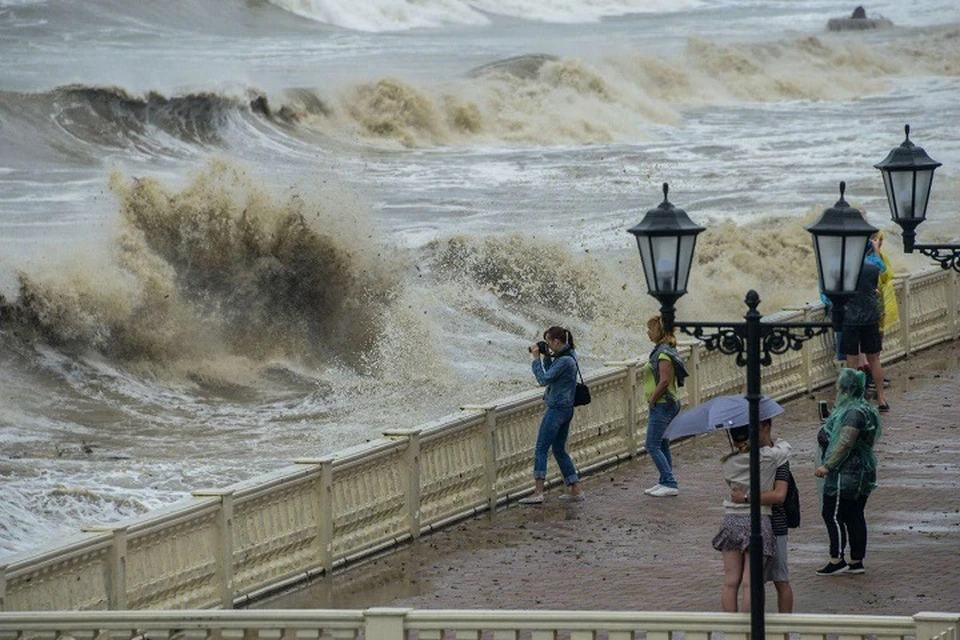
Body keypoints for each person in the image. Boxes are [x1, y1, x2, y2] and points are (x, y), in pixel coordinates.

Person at [713, 417, 791, 612]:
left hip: (731, 520)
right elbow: (785, 449)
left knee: (730, 583)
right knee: (750, 583)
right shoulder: (768, 457)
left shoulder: (728, 462)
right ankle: (750, 631)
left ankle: (732, 631)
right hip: (757, 519)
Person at [814, 367, 882, 576]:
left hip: (846, 474)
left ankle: (837, 558)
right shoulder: (864, 408)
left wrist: (828, 466)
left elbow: (844, 443)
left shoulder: (853, 412)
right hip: (861, 472)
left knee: (833, 513)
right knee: (854, 514)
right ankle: (856, 560)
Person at [519, 326, 584, 504]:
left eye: (548, 342)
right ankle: (575, 488)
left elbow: (543, 379)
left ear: (556, 341)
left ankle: (538, 492)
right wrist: (547, 356)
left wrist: (535, 359)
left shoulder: (564, 361)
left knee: (541, 448)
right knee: (559, 450)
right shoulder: (569, 355)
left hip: (556, 409)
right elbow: (552, 374)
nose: (547, 345)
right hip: (567, 408)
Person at [731, 461, 793, 613]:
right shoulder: (741, 459)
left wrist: (746, 498)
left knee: (779, 580)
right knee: (753, 582)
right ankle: (755, 627)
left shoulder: (778, 458)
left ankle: (783, 631)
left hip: (773, 525)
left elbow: (779, 495)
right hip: (748, 524)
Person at [643, 314, 688, 497]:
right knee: (663, 444)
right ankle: (664, 480)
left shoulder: (663, 353)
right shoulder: (666, 349)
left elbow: (664, 381)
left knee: (652, 444)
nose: (648, 332)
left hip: (663, 404)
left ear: (659, 331)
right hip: (666, 404)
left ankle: (670, 482)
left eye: (650, 329)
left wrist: (653, 399)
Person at [841, 247, 889, 412]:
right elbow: (873, 289)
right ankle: (881, 398)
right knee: (874, 359)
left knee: (851, 362)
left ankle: (854, 398)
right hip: (870, 317)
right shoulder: (872, 268)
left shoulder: (844, 269)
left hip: (850, 318)